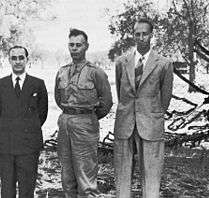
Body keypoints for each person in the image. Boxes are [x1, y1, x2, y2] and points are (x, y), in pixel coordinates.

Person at [114, 17, 174, 198]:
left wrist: (151, 114)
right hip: (125, 125)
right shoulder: (121, 62)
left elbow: (165, 99)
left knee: (151, 176)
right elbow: (121, 93)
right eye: (137, 34)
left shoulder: (164, 64)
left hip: (151, 124)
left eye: (144, 34)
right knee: (122, 176)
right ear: (133, 35)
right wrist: (130, 112)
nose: (141, 38)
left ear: (151, 35)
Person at [55, 28, 113, 197]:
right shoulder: (62, 71)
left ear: (86, 46)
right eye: (71, 45)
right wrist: (70, 114)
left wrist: (89, 117)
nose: (74, 48)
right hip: (65, 122)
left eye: (78, 45)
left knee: (86, 173)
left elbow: (106, 102)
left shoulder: (96, 72)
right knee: (67, 172)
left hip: (86, 123)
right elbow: (59, 99)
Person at [0, 45, 48, 198]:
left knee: (27, 190)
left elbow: (42, 114)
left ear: (27, 60)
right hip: (6, 145)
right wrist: (9, 128)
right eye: (14, 58)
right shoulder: (0, 84)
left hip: (29, 145)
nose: (17, 61)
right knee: (7, 189)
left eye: (21, 57)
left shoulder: (38, 84)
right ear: (9, 60)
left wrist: (27, 129)